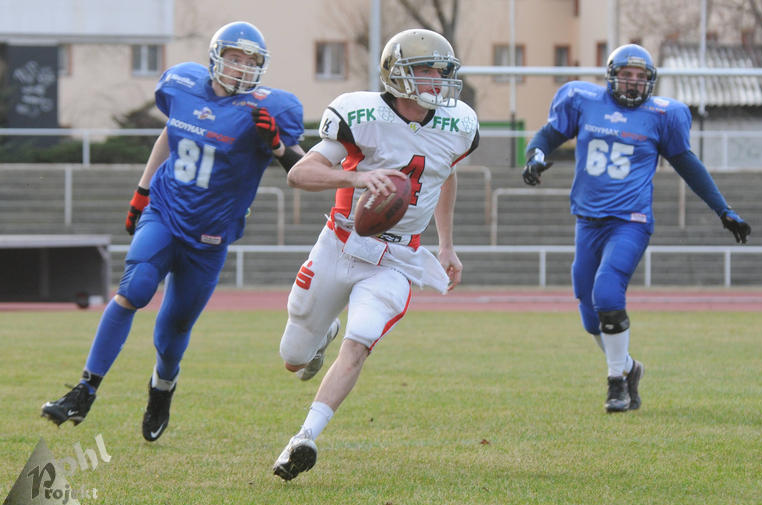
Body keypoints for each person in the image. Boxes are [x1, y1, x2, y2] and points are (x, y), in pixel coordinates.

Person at [41, 21, 305, 441]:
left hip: (209, 239)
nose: (241, 67)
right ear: (216, 58)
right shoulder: (183, 86)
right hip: (164, 213)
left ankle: (162, 387)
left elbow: (303, 171)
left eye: (250, 61)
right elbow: (172, 131)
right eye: (234, 58)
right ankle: (84, 390)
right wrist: (142, 192)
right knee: (135, 288)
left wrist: (276, 146)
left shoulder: (267, 110)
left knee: (172, 332)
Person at [271, 28, 479, 481]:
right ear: (397, 74)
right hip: (342, 244)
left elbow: (445, 174)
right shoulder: (361, 113)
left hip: (399, 258)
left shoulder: (459, 124)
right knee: (293, 357)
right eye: (426, 70)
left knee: (360, 341)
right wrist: (357, 178)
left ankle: (303, 437)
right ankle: (321, 334)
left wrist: (446, 243)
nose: (437, 81)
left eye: (441, 71)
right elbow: (300, 174)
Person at [522, 43, 751, 413]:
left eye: (640, 76)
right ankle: (629, 367)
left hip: (631, 221)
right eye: (626, 75)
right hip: (588, 221)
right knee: (589, 313)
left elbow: (688, 165)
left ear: (650, 80)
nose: (633, 82)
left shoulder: (662, 115)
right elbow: (548, 136)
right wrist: (535, 157)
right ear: (612, 77)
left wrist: (723, 210)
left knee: (607, 292)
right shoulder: (583, 101)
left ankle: (616, 383)